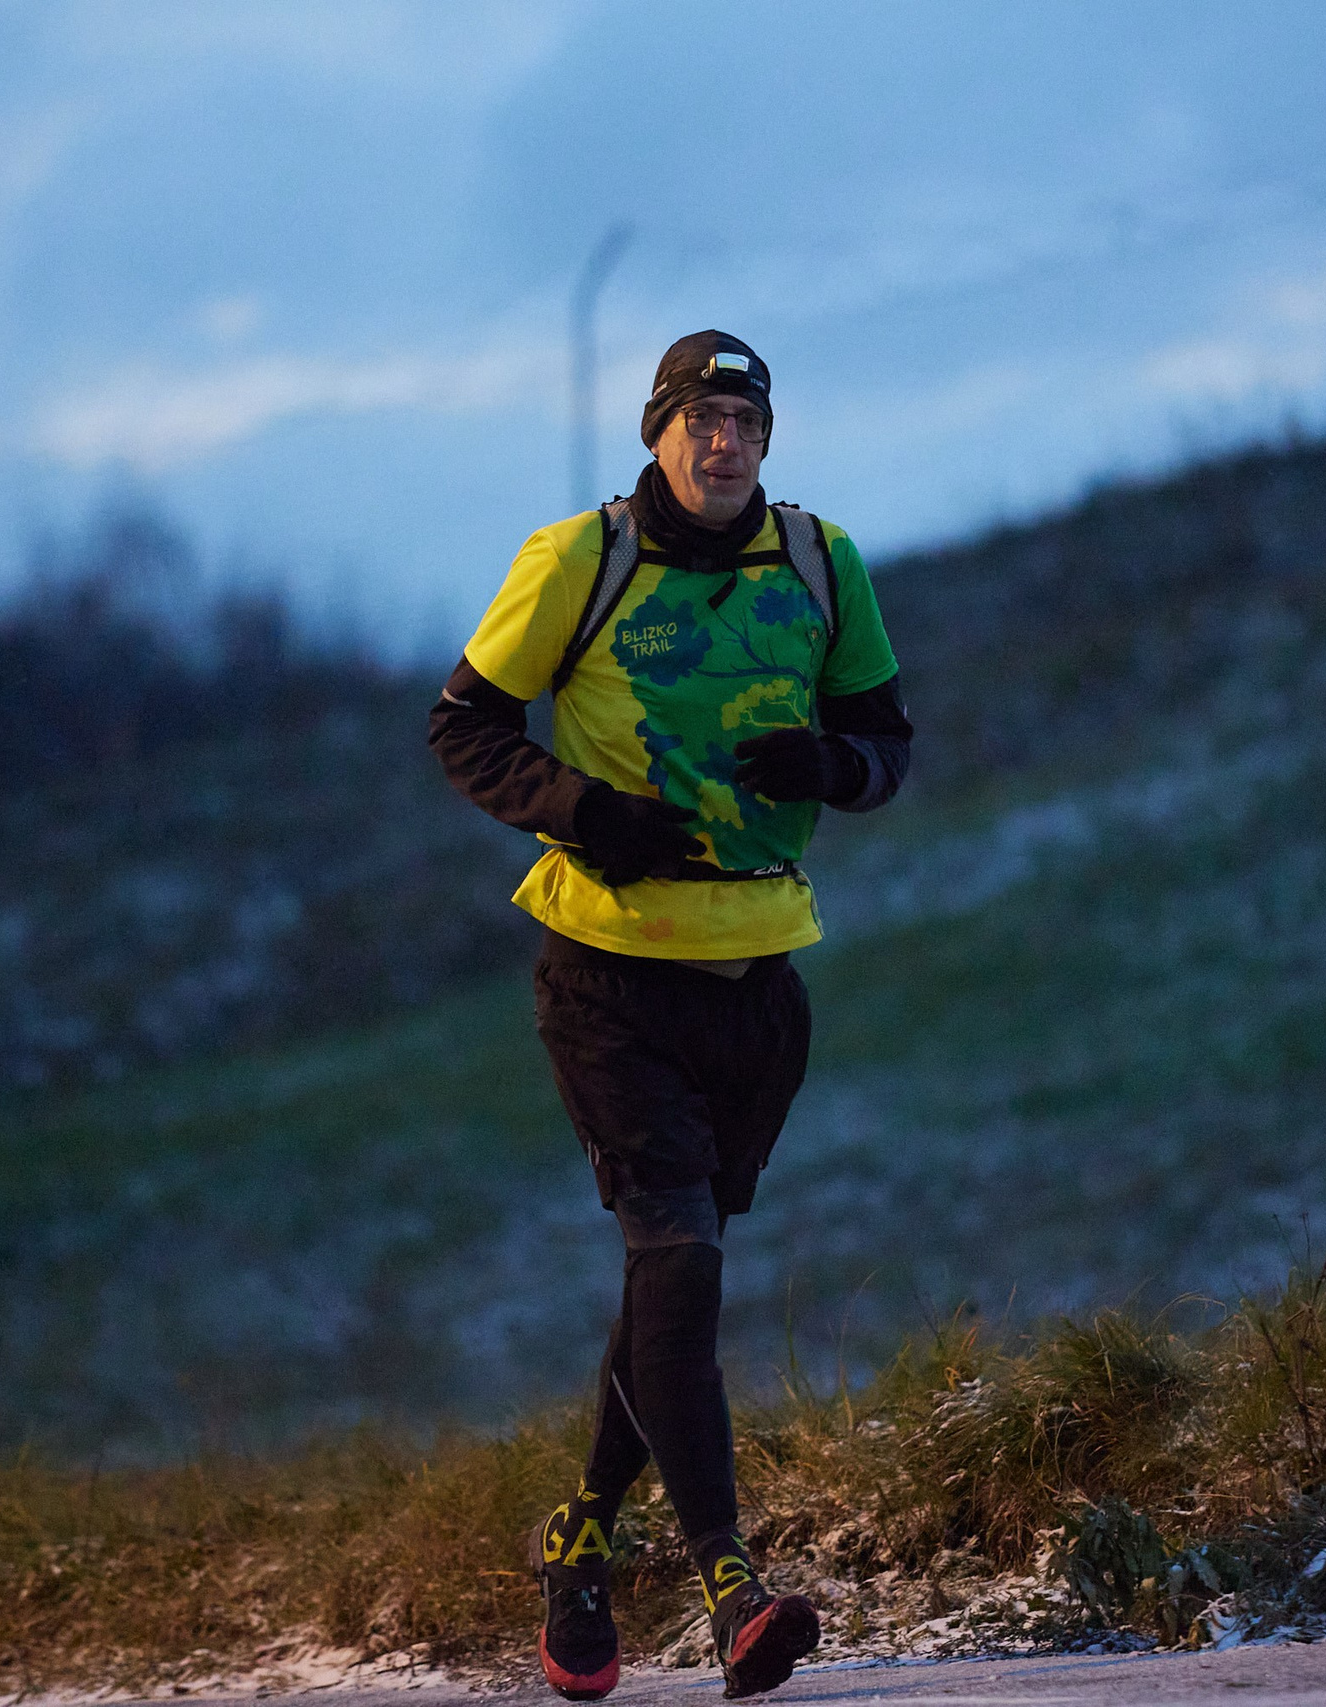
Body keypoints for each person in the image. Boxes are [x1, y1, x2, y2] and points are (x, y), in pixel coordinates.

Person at [428, 330, 912, 1700]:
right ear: (657, 434)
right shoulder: (577, 561)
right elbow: (463, 730)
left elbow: (889, 748)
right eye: (701, 420)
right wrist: (585, 813)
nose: (724, 444)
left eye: (746, 424)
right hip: (608, 976)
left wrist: (831, 765)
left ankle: (580, 1545)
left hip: (760, 987)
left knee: (667, 1285)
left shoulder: (822, 562)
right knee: (681, 1266)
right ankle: (729, 1587)